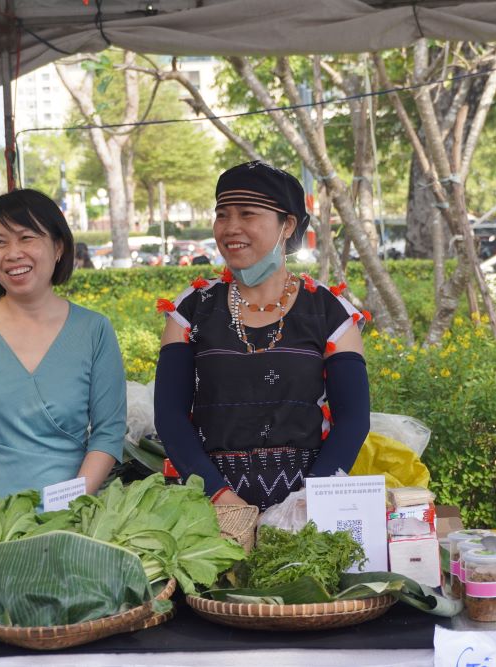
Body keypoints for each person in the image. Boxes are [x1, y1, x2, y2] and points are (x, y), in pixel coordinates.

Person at [153, 161, 370, 510]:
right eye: (222, 214)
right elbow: (170, 417)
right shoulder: (190, 311)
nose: (230, 227)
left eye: (247, 214)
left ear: (288, 225)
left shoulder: (330, 313)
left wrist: (306, 504)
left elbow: (353, 421)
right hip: (207, 506)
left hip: (306, 507)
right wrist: (220, 498)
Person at [0, 189, 127, 534]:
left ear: (59, 246)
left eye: (27, 237)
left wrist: (69, 515)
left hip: (69, 529)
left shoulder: (94, 330)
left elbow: (108, 434)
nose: (13, 253)